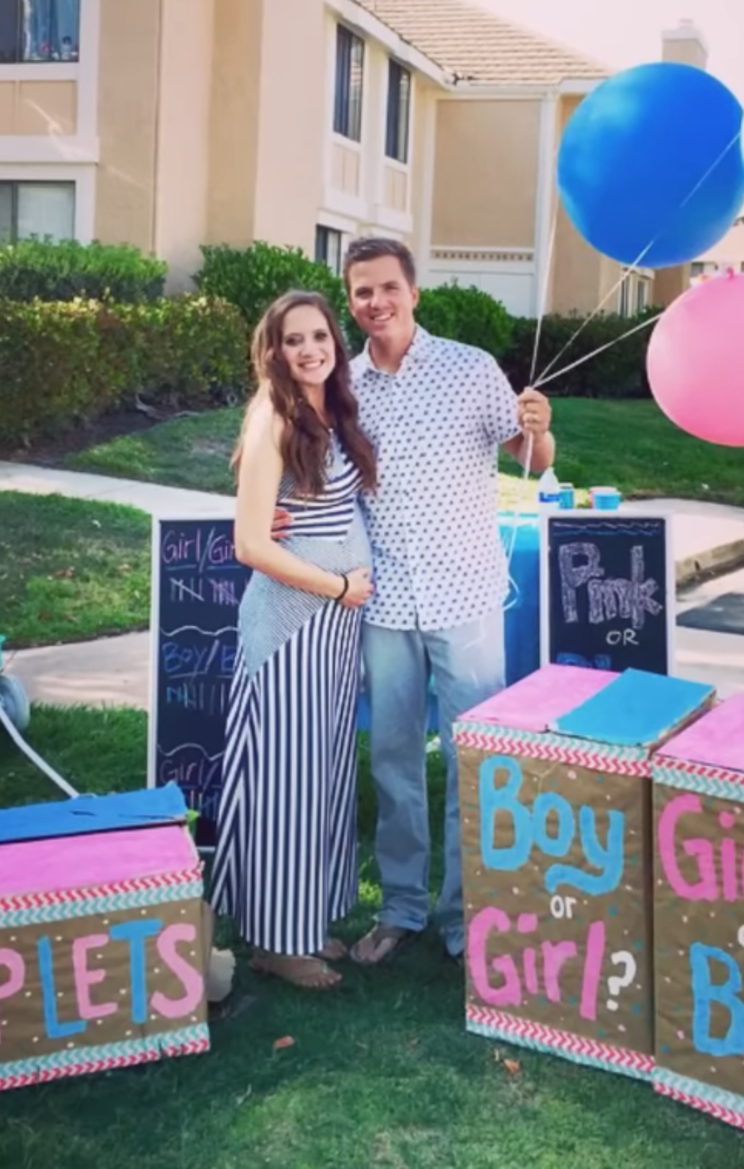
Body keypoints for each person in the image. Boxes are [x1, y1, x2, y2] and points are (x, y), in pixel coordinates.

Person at [340, 237, 555, 966]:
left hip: (466, 593)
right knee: (394, 758)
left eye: (387, 287)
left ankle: (469, 916)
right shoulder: (343, 385)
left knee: (475, 758)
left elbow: (531, 457)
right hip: (386, 600)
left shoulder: (470, 367)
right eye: (362, 291)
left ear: (413, 291)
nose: (376, 302)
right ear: (351, 299)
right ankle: (400, 907)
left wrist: (540, 428)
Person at [208, 290, 376, 991]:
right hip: (293, 625)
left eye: (319, 335)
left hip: (334, 629)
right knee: (284, 779)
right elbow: (250, 542)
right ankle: (276, 942)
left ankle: (307, 919)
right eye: (293, 340)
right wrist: (336, 587)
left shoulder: (327, 410)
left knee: (322, 775)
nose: (310, 349)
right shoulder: (273, 416)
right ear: (271, 351)